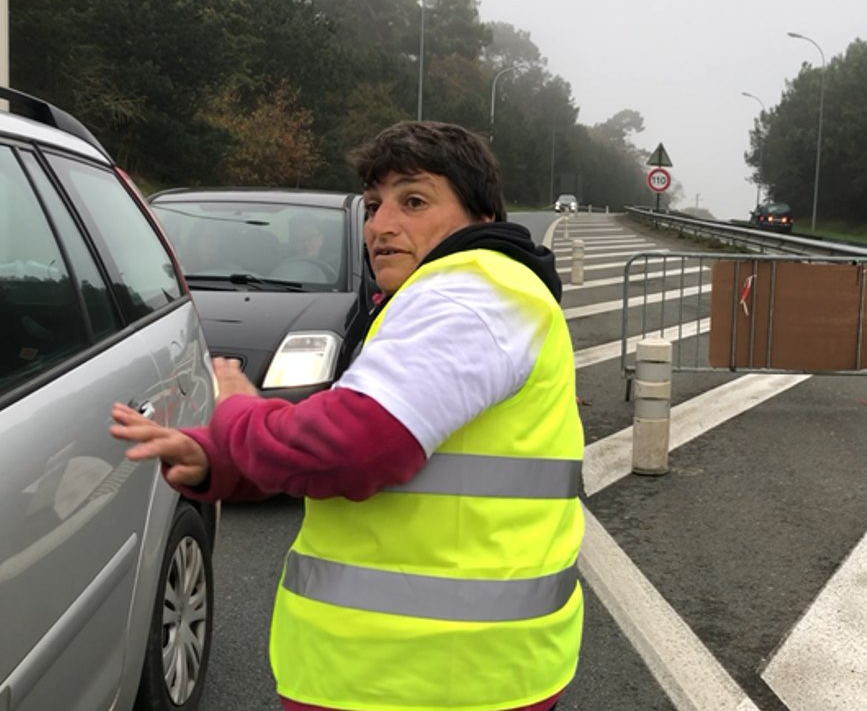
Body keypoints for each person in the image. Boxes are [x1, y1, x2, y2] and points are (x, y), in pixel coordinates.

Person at [111, 120, 583, 711]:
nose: (381, 226)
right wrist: (220, 461)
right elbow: (386, 456)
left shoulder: (468, 293)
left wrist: (235, 416)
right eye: (372, 206)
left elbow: (355, 447)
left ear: (482, 218)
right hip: (436, 671)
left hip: (428, 681)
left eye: (413, 202)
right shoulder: (449, 297)